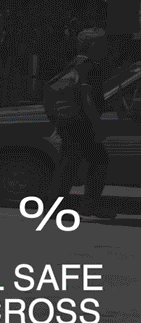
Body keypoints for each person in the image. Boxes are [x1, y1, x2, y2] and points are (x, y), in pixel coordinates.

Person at [46, 27, 114, 218]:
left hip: (70, 122)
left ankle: (76, 206)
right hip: (82, 123)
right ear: (93, 45)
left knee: (73, 164)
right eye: (103, 43)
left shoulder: (74, 64)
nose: (106, 47)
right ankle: (84, 205)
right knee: (92, 162)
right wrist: (97, 126)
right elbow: (87, 99)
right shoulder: (90, 67)